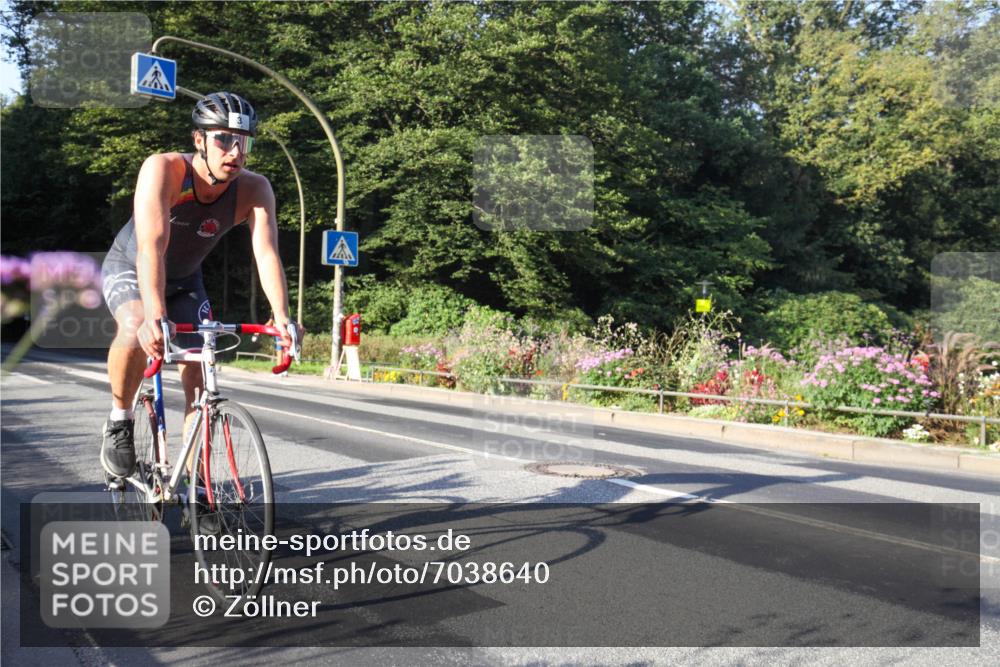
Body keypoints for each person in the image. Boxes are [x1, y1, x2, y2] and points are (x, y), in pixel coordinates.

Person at [100, 92, 295, 478]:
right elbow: (151, 248)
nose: (235, 151)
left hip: (187, 280)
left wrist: (283, 318)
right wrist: (155, 316)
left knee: (201, 377)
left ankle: (198, 487)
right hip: (131, 266)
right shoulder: (164, 170)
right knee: (135, 321)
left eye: (244, 142)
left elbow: (267, 254)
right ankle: (120, 421)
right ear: (198, 140)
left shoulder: (255, 190)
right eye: (223, 139)